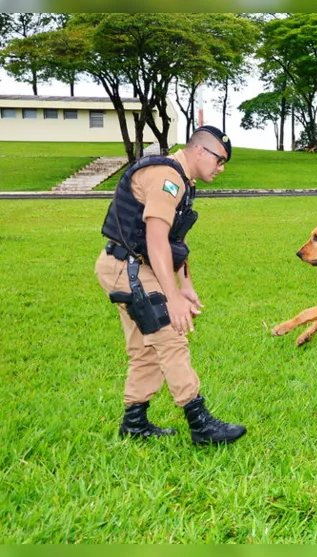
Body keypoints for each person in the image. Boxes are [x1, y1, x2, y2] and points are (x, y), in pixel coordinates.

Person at [95, 126, 247, 445]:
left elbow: (177, 240)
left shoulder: (182, 181)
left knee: (144, 347)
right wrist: (174, 297)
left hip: (129, 265)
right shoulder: (167, 177)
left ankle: (134, 423)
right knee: (170, 336)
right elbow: (156, 238)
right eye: (220, 161)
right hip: (129, 266)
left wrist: (186, 285)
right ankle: (200, 423)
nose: (221, 168)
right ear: (200, 151)